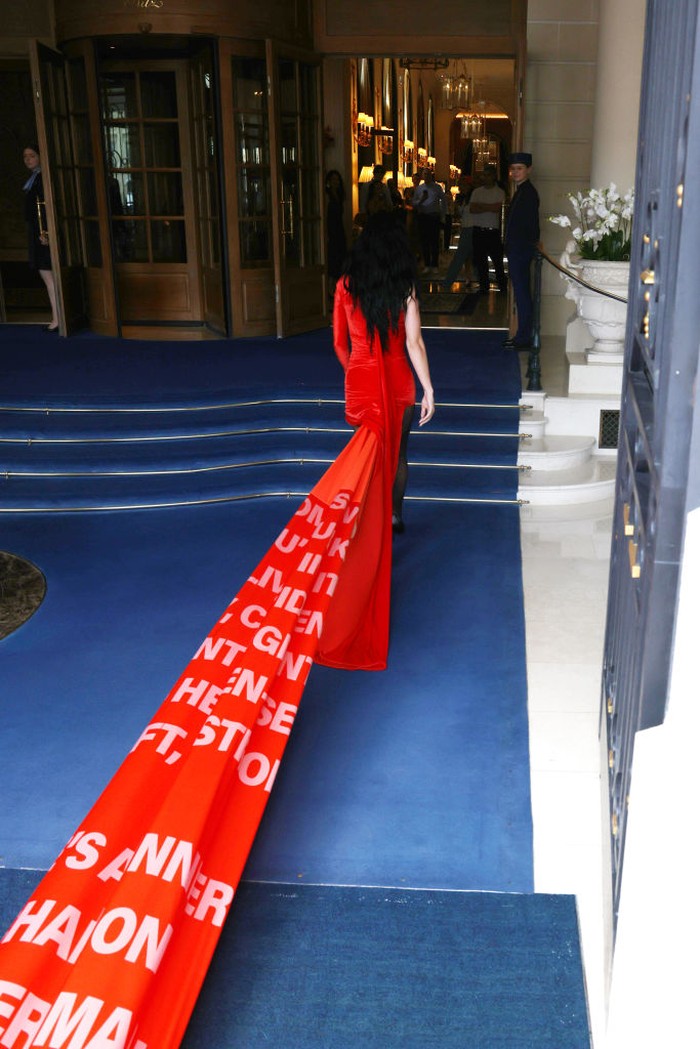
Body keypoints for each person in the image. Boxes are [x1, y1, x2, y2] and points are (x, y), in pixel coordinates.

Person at [332, 211, 435, 535]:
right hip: (398, 379)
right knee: (398, 454)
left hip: (361, 380)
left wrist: (356, 370)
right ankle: (393, 516)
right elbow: (414, 342)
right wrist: (428, 389)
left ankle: (365, 517)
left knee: (365, 455)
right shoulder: (405, 287)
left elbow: (338, 343)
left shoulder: (345, 285)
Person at [503, 151, 540, 349]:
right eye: (513, 169)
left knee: (523, 294)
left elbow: (531, 226)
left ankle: (524, 338)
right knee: (521, 293)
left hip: (521, 250)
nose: (515, 172)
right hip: (518, 250)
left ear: (528, 170)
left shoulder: (528, 193)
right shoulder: (521, 191)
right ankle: (522, 336)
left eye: (519, 169)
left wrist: (526, 247)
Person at [22, 145, 58, 333]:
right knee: (47, 275)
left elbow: (45, 208)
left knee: (49, 274)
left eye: (32, 156)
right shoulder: (34, 178)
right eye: (25, 156)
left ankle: (58, 318)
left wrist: (47, 233)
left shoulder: (42, 179)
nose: (28, 159)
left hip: (44, 233)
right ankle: (57, 316)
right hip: (38, 231)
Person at [469, 164, 506, 294]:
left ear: (494, 176)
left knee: (497, 261)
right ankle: (484, 286)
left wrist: (482, 206)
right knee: (480, 261)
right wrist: (489, 207)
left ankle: (502, 286)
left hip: (493, 232)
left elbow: (498, 208)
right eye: (483, 175)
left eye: (488, 175)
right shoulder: (477, 192)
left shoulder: (500, 192)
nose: (485, 177)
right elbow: (472, 209)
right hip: (478, 231)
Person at [410, 170, 446, 274]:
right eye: (424, 174)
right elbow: (413, 203)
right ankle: (426, 264)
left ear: (431, 175)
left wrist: (443, 216)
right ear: (422, 176)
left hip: (434, 216)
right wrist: (421, 200)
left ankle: (434, 265)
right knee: (424, 241)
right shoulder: (419, 189)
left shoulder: (437, 187)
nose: (426, 176)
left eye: (428, 174)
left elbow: (443, 202)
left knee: (434, 241)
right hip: (423, 217)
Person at [442, 175, 475, 286]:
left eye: (464, 185)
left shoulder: (474, 197)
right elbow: (458, 213)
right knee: (467, 257)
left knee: (460, 256)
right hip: (465, 227)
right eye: (461, 185)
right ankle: (468, 278)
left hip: (472, 228)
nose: (461, 187)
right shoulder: (461, 198)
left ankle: (448, 281)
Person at [325, 169, 347, 294]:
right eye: (333, 180)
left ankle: (336, 291)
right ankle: (329, 290)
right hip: (332, 231)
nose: (335, 182)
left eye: (337, 180)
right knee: (332, 261)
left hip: (339, 230)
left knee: (340, 260)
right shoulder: (327, 196)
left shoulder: (339, 195)